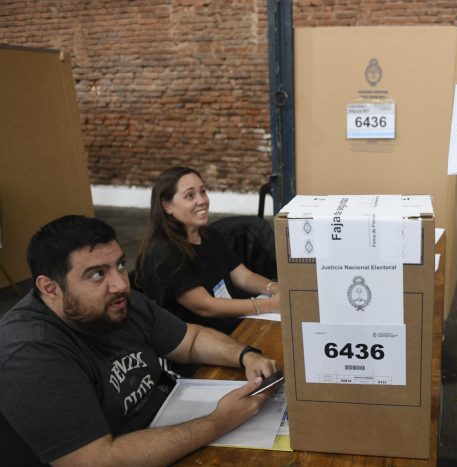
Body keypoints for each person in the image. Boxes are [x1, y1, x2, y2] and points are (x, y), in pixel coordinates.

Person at [0, 215, 277, 466]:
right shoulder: (30, 351)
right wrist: (219, 421)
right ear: (50, 288)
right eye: (97, 274)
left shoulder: (115, 302)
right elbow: (96, 460)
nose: (120, 284)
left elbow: (190, 339)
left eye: (120, 265)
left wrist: (246, 356)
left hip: (168, 420)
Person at [135, 166, 279, 336]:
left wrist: (274, 288)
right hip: (200, 343)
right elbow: (206, 306)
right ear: (167, 206)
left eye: (203, 192)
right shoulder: (163, 254)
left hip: (231, 325)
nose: (202, 200)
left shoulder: (209, 234)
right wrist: (268, 305)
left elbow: (243, 276)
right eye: (190, 195)